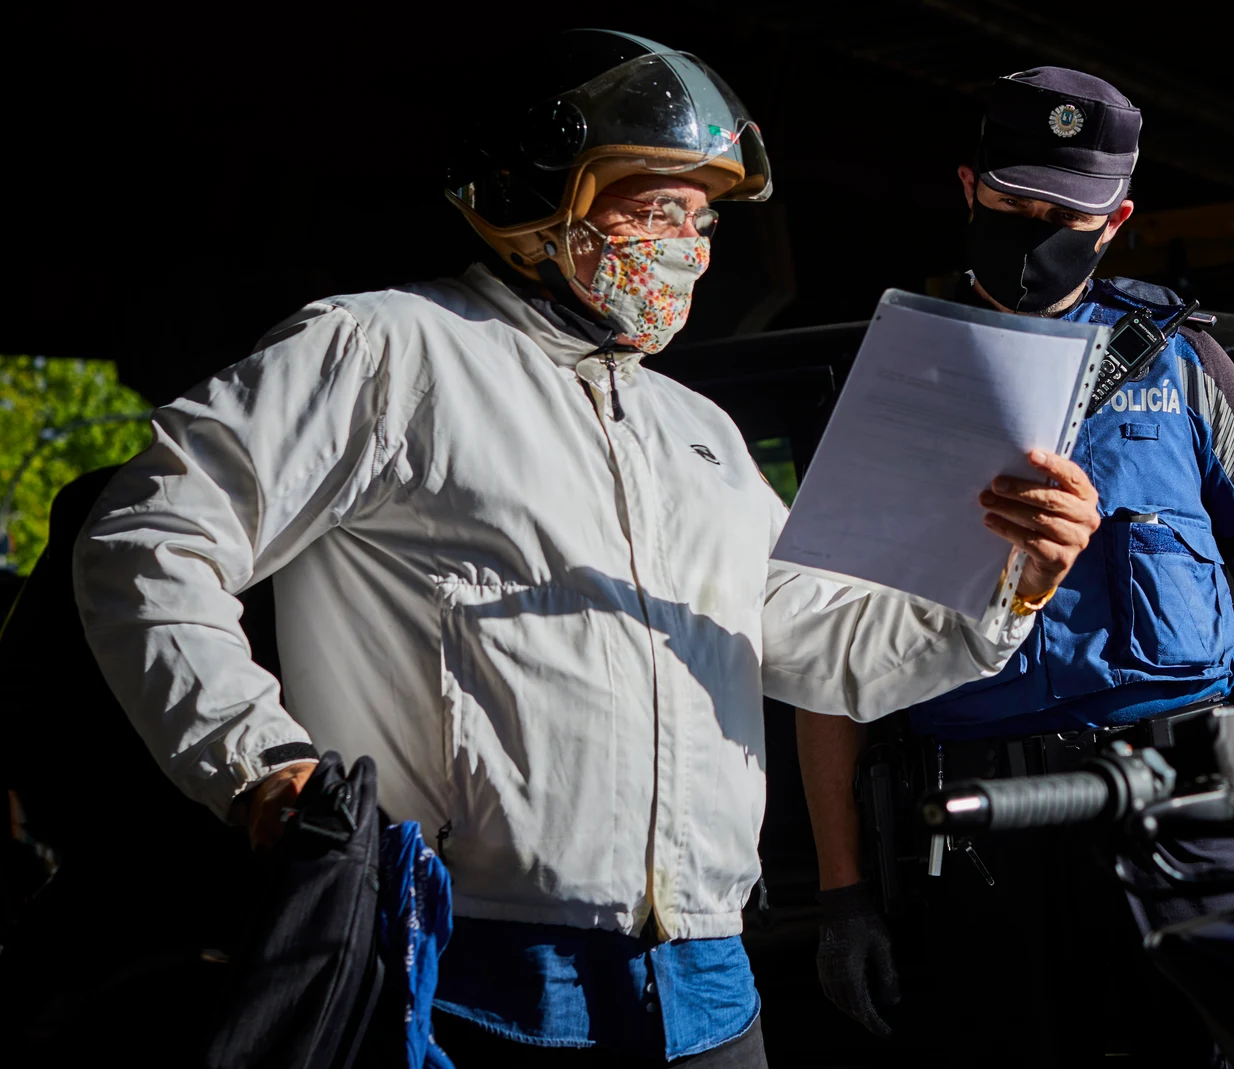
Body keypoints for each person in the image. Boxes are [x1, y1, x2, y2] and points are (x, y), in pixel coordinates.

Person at [72, 32, 1102, 1068]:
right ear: (535, 195)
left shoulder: (693, 428)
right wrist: (261, 764)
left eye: (701, 218)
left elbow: (817, 642)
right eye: (656, 208)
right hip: (470, 977)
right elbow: (147, 541)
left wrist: (1009, 586)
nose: (688, 244)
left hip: (709, 985)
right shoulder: (385, 351)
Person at [795, 67, 1234, 1064]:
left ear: (1117, 219)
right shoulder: (891, 386)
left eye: (1068, 213)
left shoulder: (1184, 368)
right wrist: (844, 897)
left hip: (1189, 824)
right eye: (1013, 203)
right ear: (967, 187)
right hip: (982, 843)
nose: (1036, 228)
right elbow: (824, 664)